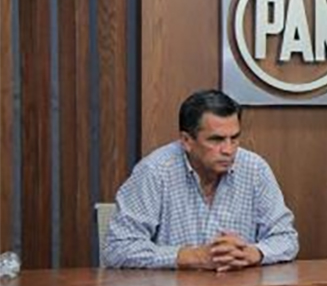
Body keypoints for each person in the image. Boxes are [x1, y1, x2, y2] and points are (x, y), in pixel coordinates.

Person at [103, 89, 299, 270]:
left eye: (234, 138)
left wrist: (253, 253)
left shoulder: (255, 169)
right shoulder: (154, 172)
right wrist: (191, 257)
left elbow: (286, 238)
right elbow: (118, 248)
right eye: (216, 140)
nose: (228, 150)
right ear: (187, 141)